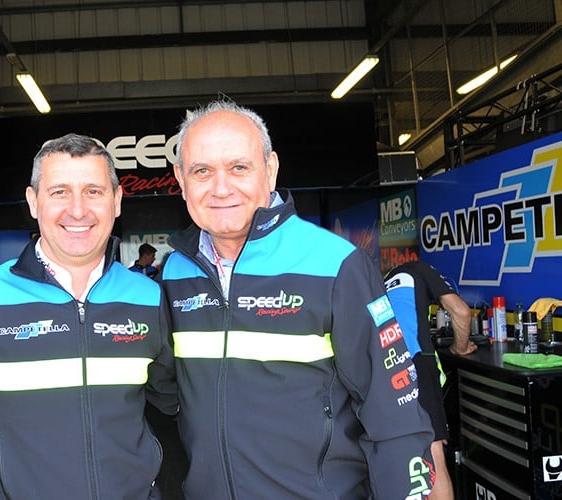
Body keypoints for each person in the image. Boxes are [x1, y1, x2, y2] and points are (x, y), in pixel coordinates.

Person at [160, 99, 436, 498]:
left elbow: (395, 413)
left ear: (270, 169)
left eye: (239, 168)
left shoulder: (336, 264)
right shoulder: (176, 272)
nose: (221, 188)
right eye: (202, 171)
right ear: (181, 179)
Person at [0, 133, 177, 499]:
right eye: (60, 192)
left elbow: (177, 408)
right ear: (34, 201)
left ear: (116, 201)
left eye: (94, 191)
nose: (78, 210)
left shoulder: (149, 297)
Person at [384, 260, 477, 500]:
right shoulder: (420, 270)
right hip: (416, 363)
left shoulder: (382, 281)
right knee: (433, 452)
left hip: (384, 366)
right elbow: (461, 312)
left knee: (404, 453)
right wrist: (460, 348)